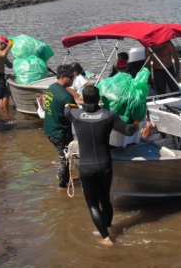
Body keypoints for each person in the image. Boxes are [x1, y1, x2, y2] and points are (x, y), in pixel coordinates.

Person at [65, 85, 139, 246]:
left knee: (92, 204)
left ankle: (106, 238)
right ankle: (109, 227)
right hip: (105, 164)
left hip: (86, 166)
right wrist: (135, 122)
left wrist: (73, 102)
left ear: (83, 99)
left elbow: (66, 108)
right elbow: (128, 130)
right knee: (105, 199)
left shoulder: (75, 114)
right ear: (99, 99)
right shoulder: (109, 115)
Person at [43, 64, 76, 189]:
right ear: (62, 77)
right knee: (65, 159)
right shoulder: (66, 96)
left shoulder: (52, 87)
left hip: (49, 129)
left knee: (63, 156)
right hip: (60, 133)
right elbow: (75, 114)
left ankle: (67, 178)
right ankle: (62, 186)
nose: (73, 80)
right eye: (71, 77)